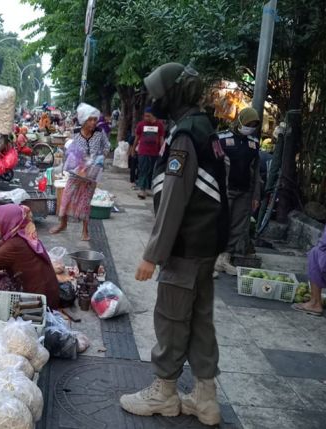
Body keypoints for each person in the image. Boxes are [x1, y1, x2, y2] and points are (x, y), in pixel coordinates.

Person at [119, 63, 228, 427]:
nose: (153, 100)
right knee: (199, 320)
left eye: (158, 93)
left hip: (185, 247)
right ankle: (205, 397)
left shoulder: (184, 136)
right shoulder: (205, 128)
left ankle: (164, 393)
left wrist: (153, 254)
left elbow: (175, 201)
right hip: (206, 246)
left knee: (170, 318)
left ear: (175, 94)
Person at [49, 103, 109, 241]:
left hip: (91, 174)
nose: (93, 122)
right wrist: (76, 160)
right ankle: (62, 224)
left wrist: (100, 157)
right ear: (83, 120)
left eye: (95, 119)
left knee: (85, 202)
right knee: (66, 197)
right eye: (90, 119)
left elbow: (106, 147)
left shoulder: (100, 133)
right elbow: (71, 150)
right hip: (76, 173)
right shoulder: (75, 132)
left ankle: (85, 231)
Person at [213, 107, 262, 276]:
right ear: (240, 120)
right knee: (219, 224)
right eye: (249, 123)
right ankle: (210, 260)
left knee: (238, 226)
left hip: (245, 191)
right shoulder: (222, 138)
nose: (251, 127)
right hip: (225, 189)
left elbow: (256, 172)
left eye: (254, 125)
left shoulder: (254, 143)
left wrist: (256, 195)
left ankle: (224, 259)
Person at [133, 107, 166, 199]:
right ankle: (142, 189)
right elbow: (137, 137)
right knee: (143, 169)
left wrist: (163, 151)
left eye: (148, 116)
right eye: (145, 116)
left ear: (153, 115)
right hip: (143, 151)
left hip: (154, 152)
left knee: (151, 170)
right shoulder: (141, 124)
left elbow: (161, 139)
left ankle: (148, 188)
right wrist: (132, 149)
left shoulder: (159, 125)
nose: (146, 118)